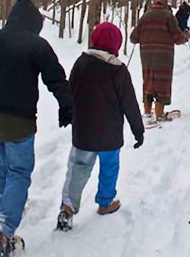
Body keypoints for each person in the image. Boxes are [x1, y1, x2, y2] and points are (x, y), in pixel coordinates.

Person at [0, 0, 72, 256]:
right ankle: (4, 228)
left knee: (4, 162)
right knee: (19, 172)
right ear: (34, 23)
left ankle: (4, 206)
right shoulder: (37, 45)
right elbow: (56, 79)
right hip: (19, 122)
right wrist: (67, 106)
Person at [56, 22, 144, 232]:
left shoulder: (81, 63)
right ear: (115, 43)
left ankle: (67, 207)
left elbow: (71, 92)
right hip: (109, 134)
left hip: (84, 130)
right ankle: (105, 203)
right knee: (109, 167)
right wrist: (137, 129)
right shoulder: (118, 70)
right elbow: (129, 103)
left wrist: (67, 112)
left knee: (78, 167)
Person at [130, 0, 189, 121]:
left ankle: (147, 111)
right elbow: (177, 38)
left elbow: (133, 38)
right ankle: (159, 113)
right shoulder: (169, 16)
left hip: (146, 55)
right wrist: (186, 37)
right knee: (162, 82)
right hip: (164, 55)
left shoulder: (145, 16)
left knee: (148, 79)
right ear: (165, 4)